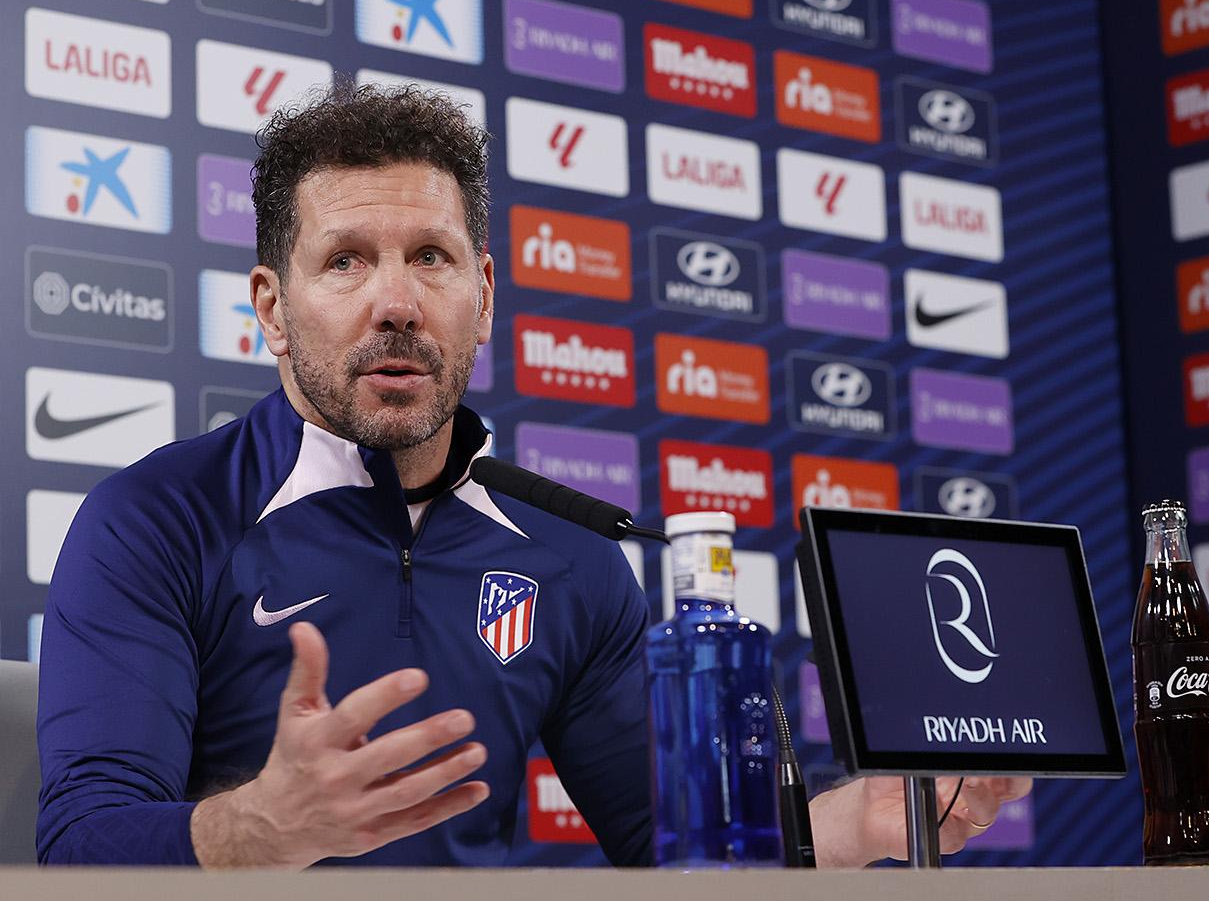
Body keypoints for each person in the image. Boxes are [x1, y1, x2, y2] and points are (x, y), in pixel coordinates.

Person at [35, 83, 1030, 868]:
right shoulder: (154, 520)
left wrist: (868, 815)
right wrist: (265, 825)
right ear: (271, 307)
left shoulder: (569, 556)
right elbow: (79, 843)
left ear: (483, 294)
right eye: (345, 261)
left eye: (431, 256)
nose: (395, 301)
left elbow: (671, 844)